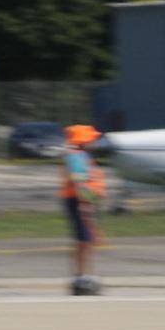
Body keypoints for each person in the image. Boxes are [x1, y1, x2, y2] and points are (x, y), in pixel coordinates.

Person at [61, 123, 107, 295]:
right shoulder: (77, 157)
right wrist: (85, 204)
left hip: (82, 200)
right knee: (84, 241)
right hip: (81, 201)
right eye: (91, 138)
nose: (94, 141)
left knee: (86, 241)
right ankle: (83, 276)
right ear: (83, 140)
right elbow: (80, 182)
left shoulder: (80, 156)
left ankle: (84, 274)